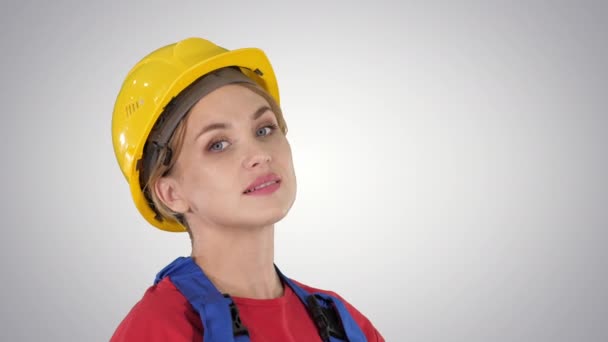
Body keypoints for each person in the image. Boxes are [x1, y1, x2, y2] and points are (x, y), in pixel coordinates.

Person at [110, 37, 385, 342]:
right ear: (171, 193)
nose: (259, 154)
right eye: (218, 144)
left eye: (264, 129)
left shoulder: (346, 325)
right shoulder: (160, 329)